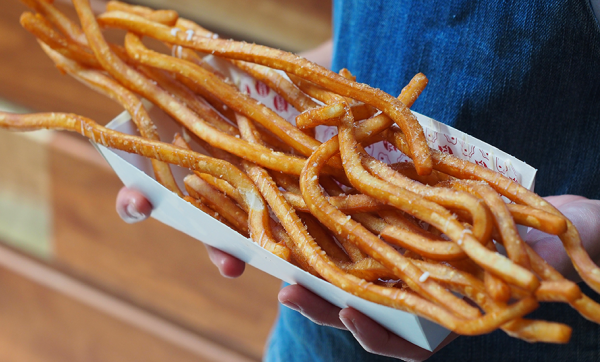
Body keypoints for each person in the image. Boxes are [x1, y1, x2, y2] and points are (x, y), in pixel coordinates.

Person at [116, 0, 600, 360]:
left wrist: (589, 225)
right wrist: (259, 90)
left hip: (527, 324)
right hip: (320, 328)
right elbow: (372, 26)